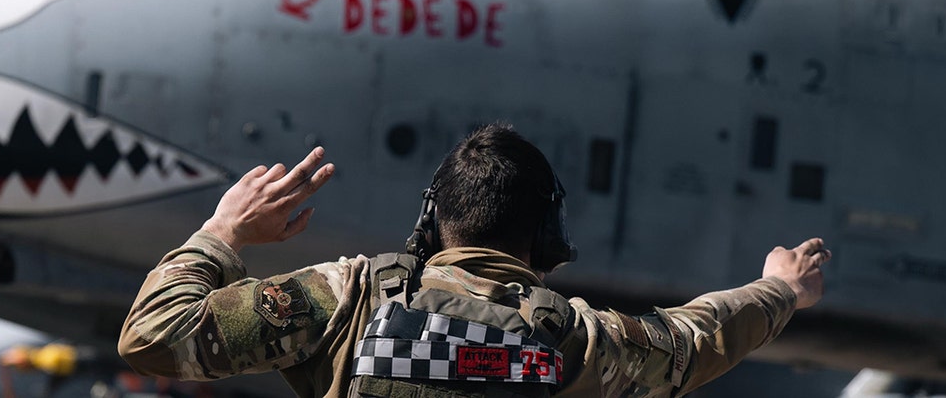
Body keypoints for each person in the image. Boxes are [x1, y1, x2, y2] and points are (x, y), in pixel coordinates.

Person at [118, 124, 830, 398]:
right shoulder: (571, 341)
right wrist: (778, 289)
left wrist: (223, 231)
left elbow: (152, 337)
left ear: (433, 220)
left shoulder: (350, 297)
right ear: (545, 239)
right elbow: (693, 339)